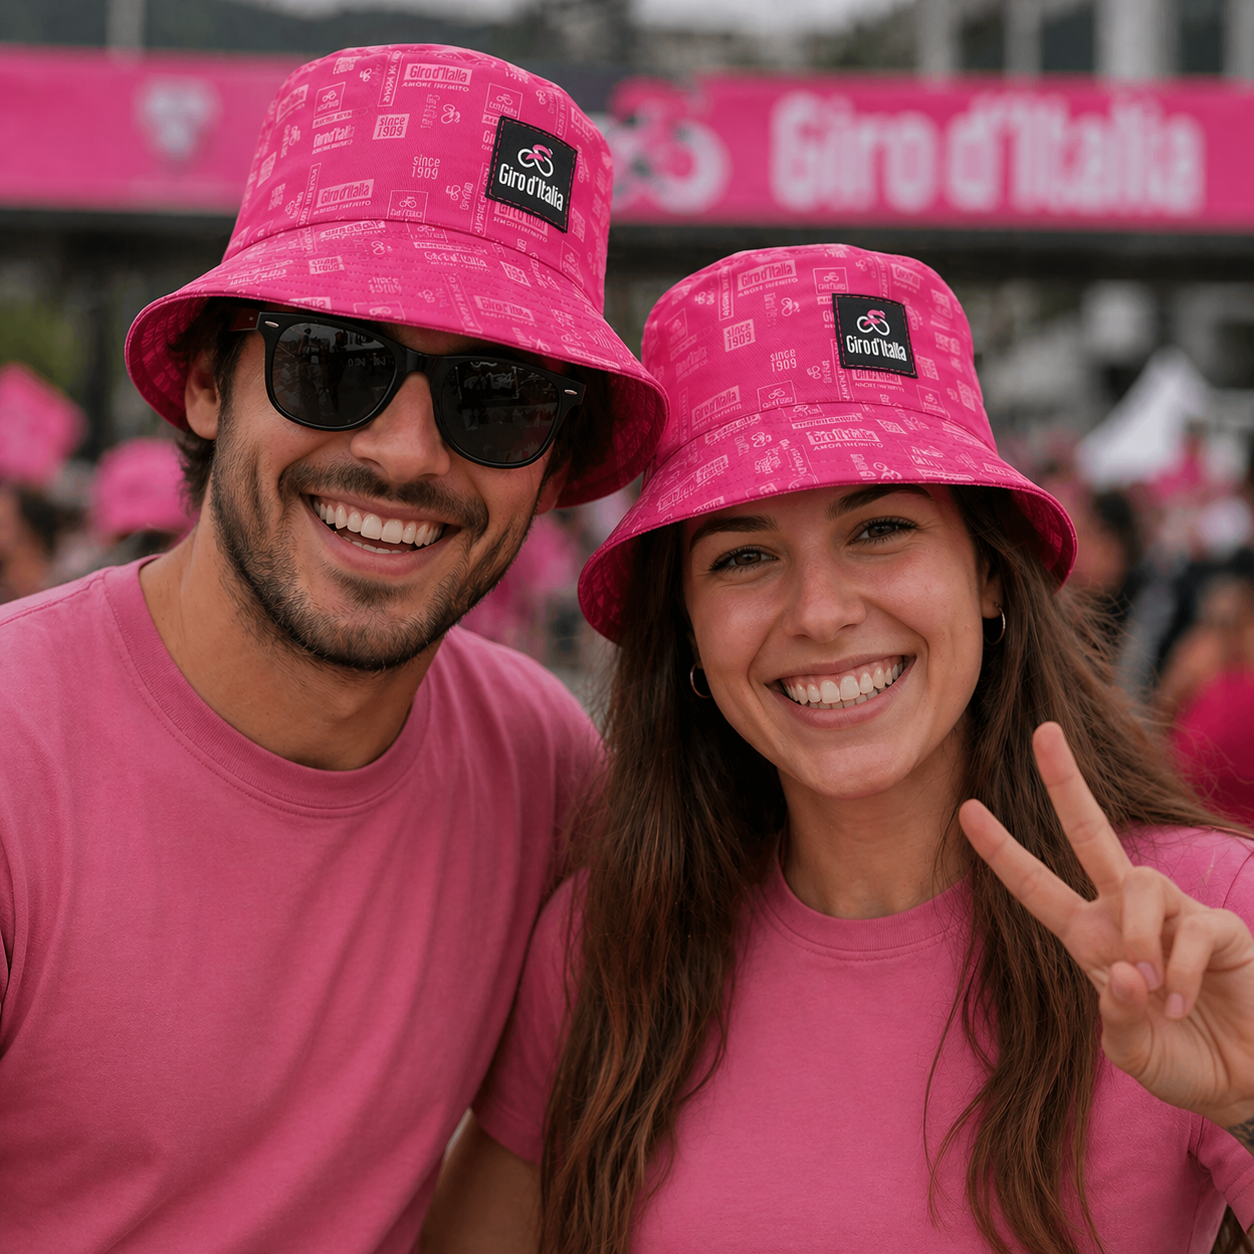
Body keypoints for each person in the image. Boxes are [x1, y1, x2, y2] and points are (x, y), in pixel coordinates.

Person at [423, 246, 1254, 1254]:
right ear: (684, 624)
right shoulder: (602, 945)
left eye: (880, 530)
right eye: (744, 556)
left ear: (990, 574)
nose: (819, 613)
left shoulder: (1192, 923)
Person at [0, 44, 663, 1254]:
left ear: (555, 467)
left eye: (497, 396)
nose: (407, 452)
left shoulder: (540, 764)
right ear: (207, 382)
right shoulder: (14, 756)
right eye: (332, 363)